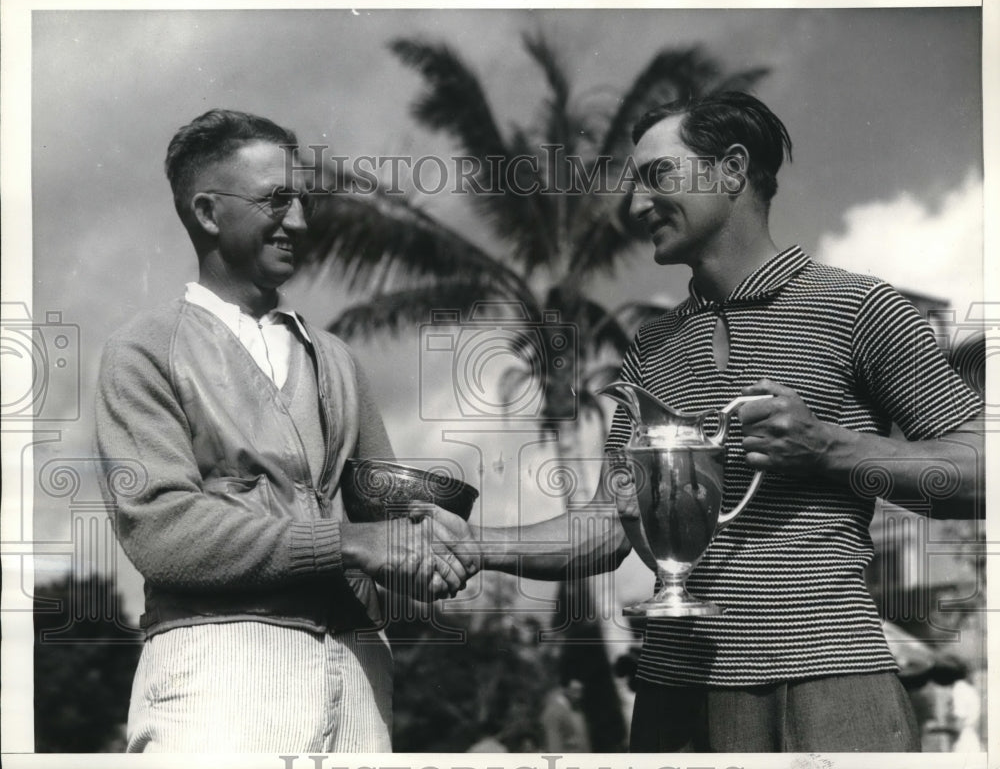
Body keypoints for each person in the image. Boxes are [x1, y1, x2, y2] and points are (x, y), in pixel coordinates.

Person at [473, 91, 984, 752]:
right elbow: (607, 526)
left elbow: (982, 471)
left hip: (831, 680)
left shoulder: (859, 307)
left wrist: (834, 450)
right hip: (671, 695)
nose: (633, 207)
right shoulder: (649, 347)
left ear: (732, 170)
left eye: (657, 175)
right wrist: (472, 544)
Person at [95, 109, 477, 752]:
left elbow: (379, 522)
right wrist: (350, 543)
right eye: (277, 200)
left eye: (302, 200)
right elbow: (161, 532)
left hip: (359, 670)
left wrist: (431, 551)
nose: (300, 221)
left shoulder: (337, 359)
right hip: (220, 667)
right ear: (209, 213)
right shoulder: (144, 349)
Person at [540, 679, 591, 753]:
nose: (579, 696)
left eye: (579, 691)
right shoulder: (554, 711)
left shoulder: (574, 710)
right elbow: (554, 744)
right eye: (575, 691)